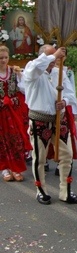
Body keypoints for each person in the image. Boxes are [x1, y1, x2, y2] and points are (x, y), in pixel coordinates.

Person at [23, 44, 77, 205]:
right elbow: (35, 68)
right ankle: (40, 190)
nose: (53, 61)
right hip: (39, 119)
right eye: (50, 58)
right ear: (42, 57)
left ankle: (65, 191)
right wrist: (53, 55)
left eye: (55, 59)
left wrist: (64, 102)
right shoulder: (32, 69)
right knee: (40, 157)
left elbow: (69, 93)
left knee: (67, 154)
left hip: (59, 119)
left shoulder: (59, 72)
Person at [0, 45, 32, 182]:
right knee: (2, 139)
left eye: (5, 57)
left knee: (16, 137)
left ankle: (16, 168)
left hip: (13, 110)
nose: (3, 60)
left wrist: (20, 75)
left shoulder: (14, 71)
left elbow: (24, 89)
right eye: (0, 58)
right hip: (1, 111)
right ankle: (5, 169)